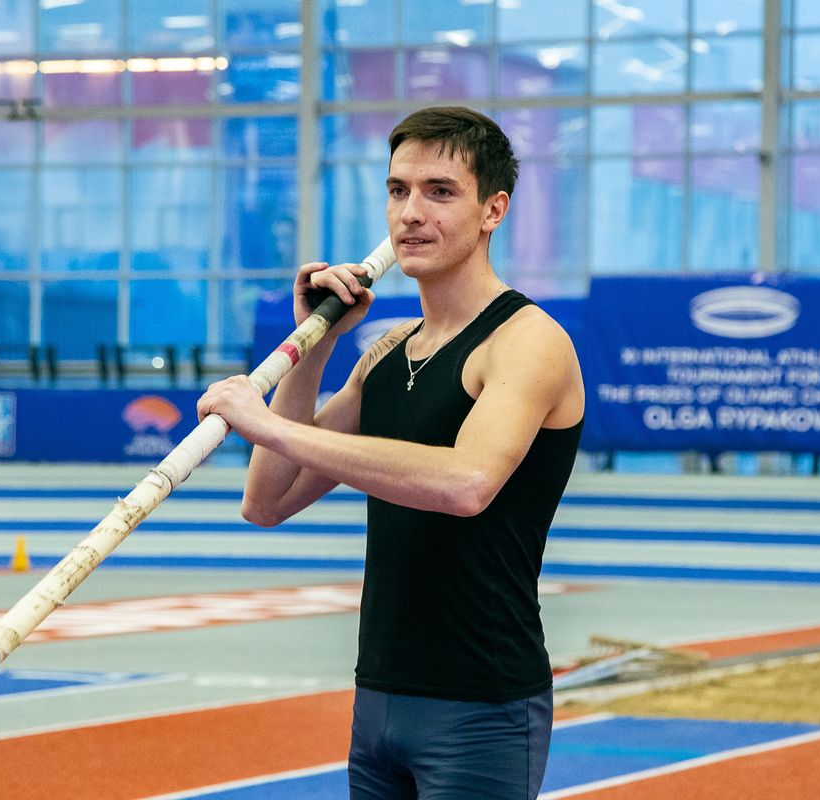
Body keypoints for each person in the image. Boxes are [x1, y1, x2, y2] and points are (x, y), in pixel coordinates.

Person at [197, 105, 585, 799]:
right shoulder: (386, 354)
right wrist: (314, 348)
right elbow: (267, 501)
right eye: (398, 190)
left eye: (440, 191)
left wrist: (266, 423)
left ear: (493, 210)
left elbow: (466, 483)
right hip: (378, 697)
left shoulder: (528, 341)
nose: (411, 212)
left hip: (481, 706)